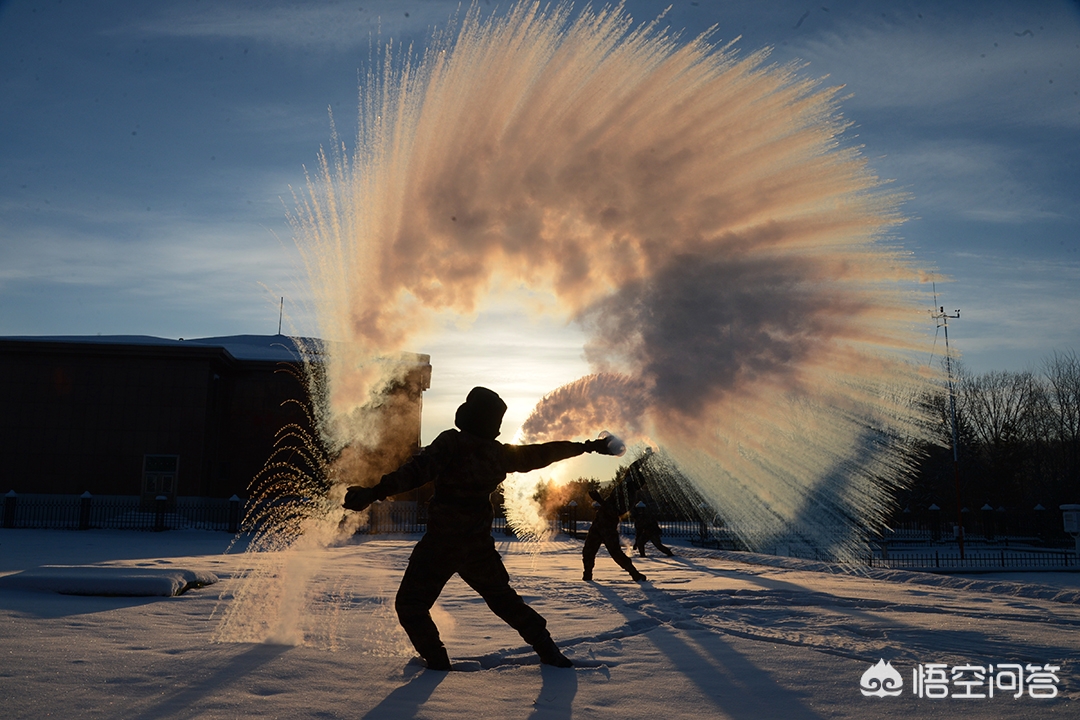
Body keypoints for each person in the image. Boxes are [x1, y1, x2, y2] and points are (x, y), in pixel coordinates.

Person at [342, 386, 619, 671]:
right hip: (477, 548)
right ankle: (547, 649)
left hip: (441, 545)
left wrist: (373, 492)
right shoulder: (498, 455)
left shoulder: (452, 443)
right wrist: (587, 446)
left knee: (411, 605)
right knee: (505, 602)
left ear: (467, 415)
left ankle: (437, 662)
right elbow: (542, 453)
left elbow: (415, 472)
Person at [581, 488, 647, 582]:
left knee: (616, 553)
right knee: (588, 551)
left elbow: (616, 512)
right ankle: (587, 574)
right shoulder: (618, 492)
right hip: (598, 525)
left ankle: (634, 573)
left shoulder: (629, 496)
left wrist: (599, 500)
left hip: (608, 529)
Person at [631, 494, 674, 558]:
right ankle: (642, 555)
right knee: (640, 542)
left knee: (658, 545)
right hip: (646, 533)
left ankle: (669, 553)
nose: (640, 511)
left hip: (653, 532)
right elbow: (638, 531)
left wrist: (654, 531)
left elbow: (653, 525)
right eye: (639, 510)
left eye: (641, 509)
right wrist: (636, 543)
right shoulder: (638, 518)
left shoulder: (647, 516)